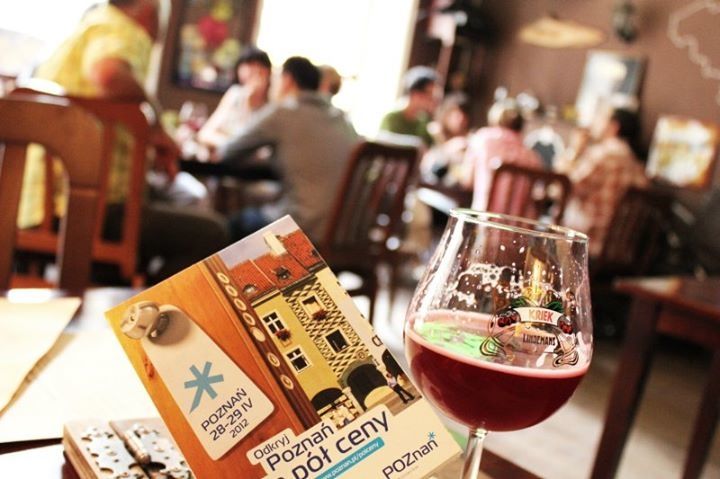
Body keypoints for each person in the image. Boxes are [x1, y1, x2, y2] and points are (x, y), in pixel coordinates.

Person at [18, 0, 228, 281]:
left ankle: (123, 292)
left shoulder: (86, 29)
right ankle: (145, 302)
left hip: (33, 209)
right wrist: (154, 121)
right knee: (212, 234)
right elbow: (107, 74)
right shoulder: (122, 28)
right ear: (147, 9)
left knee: (167, 207)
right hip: (83, 208)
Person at [218, 56, 359, 242]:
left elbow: (228, 151)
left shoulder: (284, 112)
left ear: (288, 80)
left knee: (227, 227)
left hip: (299, 233)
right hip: (344, 235)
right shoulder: (344, 121)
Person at [561, 108, 648, 257]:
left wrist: (575, 150)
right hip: (618, 247)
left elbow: (565, 187)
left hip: (583, 238)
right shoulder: (637, 166)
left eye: (602, 119)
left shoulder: (600, 154)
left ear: (614, 126)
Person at [462, 98, 542, 211]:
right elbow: (537, 194)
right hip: (519, 222)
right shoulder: (532, 157)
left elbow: (467, 182)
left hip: (485, 217)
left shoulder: (482, 140)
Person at [197, 46, 272, 149]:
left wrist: (248, 103)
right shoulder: (235, 94)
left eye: (255, 66)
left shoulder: (272, 105)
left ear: (267, 72)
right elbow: (205, 134)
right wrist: (231, 145)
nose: (248, 71)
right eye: (244, 66)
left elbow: (252, 142)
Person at [379, 65, 440, 147]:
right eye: (429, 94)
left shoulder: (425, 122)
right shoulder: (391, 118)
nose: (432, 99)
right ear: (415, 93)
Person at [421, 92, 472, 186]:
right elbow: (424, 164)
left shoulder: (468, 140)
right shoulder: (434, 131)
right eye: (456, 115)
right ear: (447, 114)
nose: (461, 120)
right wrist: (447, 148)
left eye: (464, 116)